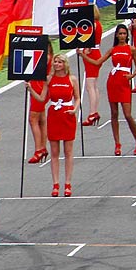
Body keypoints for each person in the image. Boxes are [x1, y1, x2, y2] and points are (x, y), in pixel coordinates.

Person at [41, 59, 79, 195]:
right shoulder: (49, 79)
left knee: (68, 152)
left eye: (59, 62)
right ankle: (55, 184)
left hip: (67, 115)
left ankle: (68, 183)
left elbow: (77, 98)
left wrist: (74, 109)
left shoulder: (72, 79)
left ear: (65, 64)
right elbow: (41, 98)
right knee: (54, 151)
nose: (56, 64)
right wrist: (30, 89)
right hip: (54, 115)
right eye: (55, 62)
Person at [105, 25, 136, 156]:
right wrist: (83, 55)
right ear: (116, 35)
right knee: (114, 114)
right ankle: (117, 144)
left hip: (124, 82)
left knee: (127, 115)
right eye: (120, 34)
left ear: (127, 35)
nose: (122, 36)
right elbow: (98, 62)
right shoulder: (112, 50)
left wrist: (132, 76)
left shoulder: (131, 49)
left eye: (124, 34)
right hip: (112, 82)